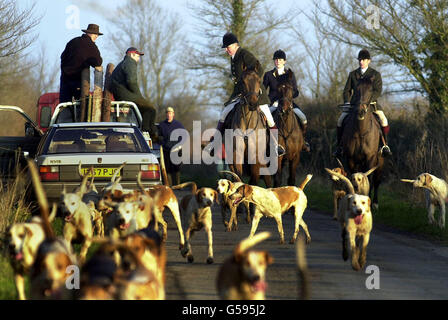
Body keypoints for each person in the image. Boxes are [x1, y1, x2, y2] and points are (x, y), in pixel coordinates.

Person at [205, 32, 285, 156]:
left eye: (228, 47)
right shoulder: (233, 57)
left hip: (255, 93)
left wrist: (250, 82)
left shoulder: (244, 54)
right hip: (240, 93)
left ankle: (275, 146)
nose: (226, 50)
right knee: (224, 113)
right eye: (225, 48)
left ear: (235, 45)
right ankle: (215, 143)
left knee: (269, 117)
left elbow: (259, 69)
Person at [334, 49, 391, 158]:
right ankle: (340, 147)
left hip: (372, 105)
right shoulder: (353, 74)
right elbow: (346, 90)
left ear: (369, 61)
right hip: (354, 106)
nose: (361, 62)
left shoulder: (375, 74)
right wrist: (347, 102)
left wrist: (367, 102)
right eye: (360, 60)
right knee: (340, 120)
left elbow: (377, 91)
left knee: (383, 120)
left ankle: (385, 145)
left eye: (364, 60)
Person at [263, 49, 310, 152]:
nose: (278, 62)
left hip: (288, 103)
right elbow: (263, 91)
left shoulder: (290, 74)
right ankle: (265, 142)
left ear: (284, 61)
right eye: (276, 60)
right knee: (263, 120)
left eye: (280, 60)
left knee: (303, 117)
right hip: (273, 104)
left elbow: (296, 91)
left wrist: (288, 97)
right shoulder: (268, 75)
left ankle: (303, 141)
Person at [110, 47, 158, 141]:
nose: (138, 59)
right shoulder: (130, 63)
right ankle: (148, 133)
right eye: (137, 56)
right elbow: (131, 81)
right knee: (150, 109)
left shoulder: (122, 64)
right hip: (124, 94)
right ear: (132, 55)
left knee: (145, 108)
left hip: (120, 92)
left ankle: (148, 131)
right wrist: (139, 96)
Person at [59, 24, 103, 121]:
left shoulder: (73, 41)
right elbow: (98, 62)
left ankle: (63, 128)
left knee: (64, 106)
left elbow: (62, 56)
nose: (96, 37)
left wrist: (65, 69)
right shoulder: (91, 46)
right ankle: (78, 127)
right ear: (89, 33)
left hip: (65, 78)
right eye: (95, 34)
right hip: (78, 79)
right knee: (81, 106)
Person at [158, 107, 185, 185]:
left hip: (177, 150)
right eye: (167, 113)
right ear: (166, 114)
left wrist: (179, 146)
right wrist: (162, 144)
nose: (169, 115)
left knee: (176, 169)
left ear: (173, 114)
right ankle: (168, 186)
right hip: (166, 150)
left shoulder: (178, 125)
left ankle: (177, 186)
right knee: (167, 168)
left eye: (170, 113)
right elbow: (158, 137)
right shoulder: (162, 125)